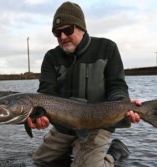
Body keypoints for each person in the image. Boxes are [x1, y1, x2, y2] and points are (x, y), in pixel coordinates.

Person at [27, 1, 140, 167]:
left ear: (81, 28)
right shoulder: (51, 57)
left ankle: (115, 153)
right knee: (40, 162)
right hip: (64, 126)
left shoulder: (107, 48)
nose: (62, 36)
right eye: (57, 33)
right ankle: (74, 152)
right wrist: (38, 115)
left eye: (68, 30)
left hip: (98, 124)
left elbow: (117, 86)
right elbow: (46, 94)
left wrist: (124, 102)